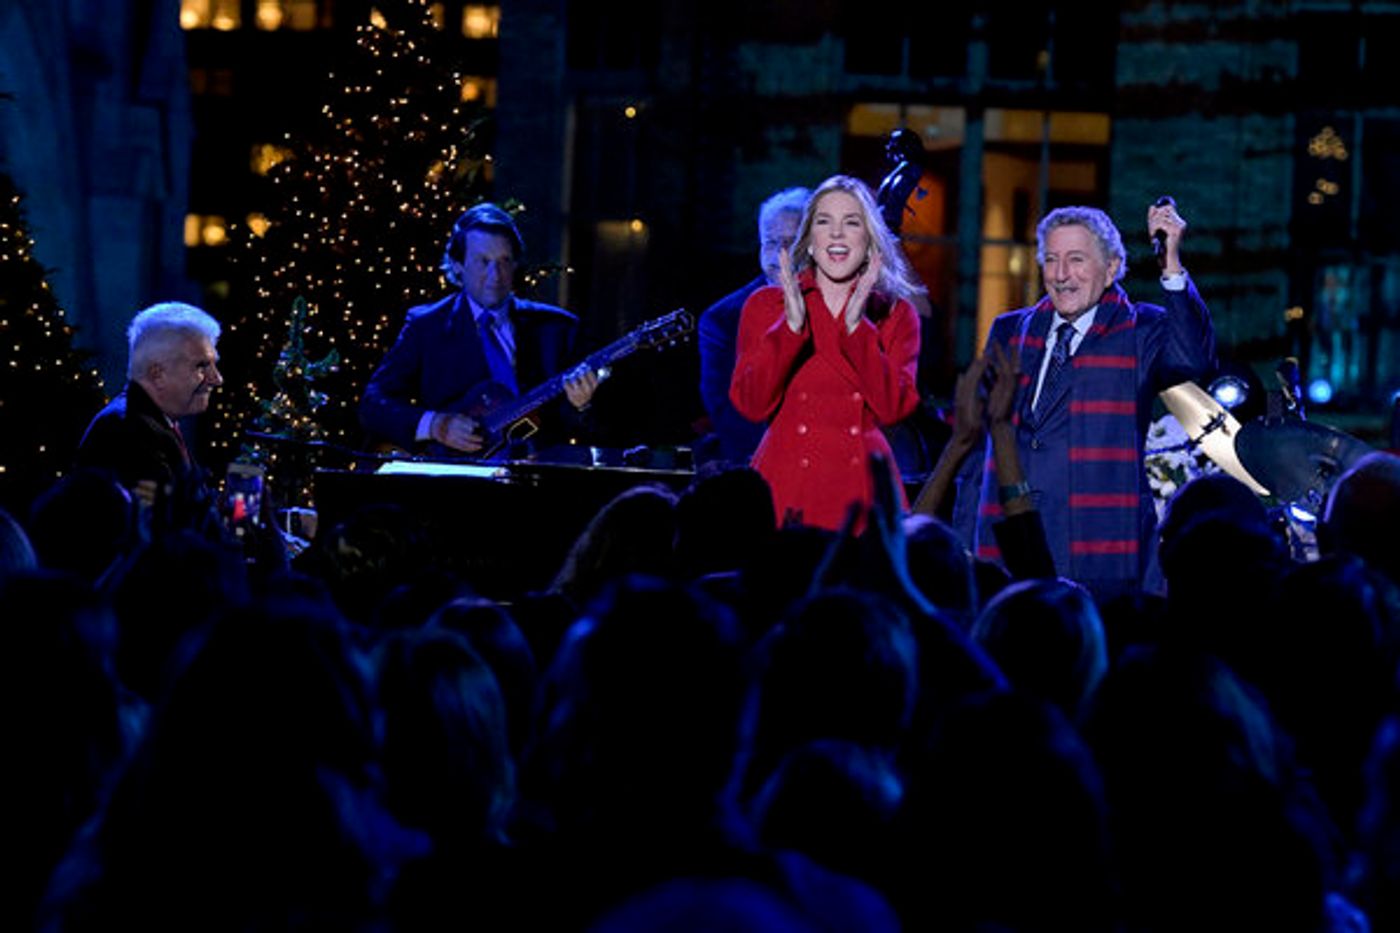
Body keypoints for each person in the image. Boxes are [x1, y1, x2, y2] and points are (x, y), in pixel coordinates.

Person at [952, 201, 1216, 600]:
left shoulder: (1140, 329)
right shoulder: (1010, 330)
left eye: (1076, 260)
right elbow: (978, 449)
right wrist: (962, 543)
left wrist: (1170, 263)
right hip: (1006, 545)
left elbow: (1193, 358)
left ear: (1111, 268)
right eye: (1051, 260)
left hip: (1098, 555)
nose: (1061, 275)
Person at [729, 175, 924, 531]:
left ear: (869, 238)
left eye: (851, 223)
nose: (836, 234)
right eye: (824, 222)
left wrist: (856, 329)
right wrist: (790, 328)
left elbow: (894, 408)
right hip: (785, 484)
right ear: (809, 238)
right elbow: (750, 405)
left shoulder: (895, 313)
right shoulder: (765, 305)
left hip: (863, 491)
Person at [359, 203, 598, 456]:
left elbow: (590, 427)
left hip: (533, 472)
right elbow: (373, 404)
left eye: (504, 261)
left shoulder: (557, 328)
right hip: (457, 474)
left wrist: (582, 405)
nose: (495, 275)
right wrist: (436, 425)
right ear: (457, 264)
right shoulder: (426, 326)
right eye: (483, 262)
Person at [697, 187, 809, 465]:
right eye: (770, 243)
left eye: (790, 242)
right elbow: (726, 408)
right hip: (758, 466)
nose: (779, 255)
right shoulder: (723, 319)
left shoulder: (842, 305)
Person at [76, 301, 224, 503]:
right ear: (157, 375)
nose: (217, 379)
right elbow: (170, 515)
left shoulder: (153, 421)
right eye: (202, 366)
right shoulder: (129, 429)